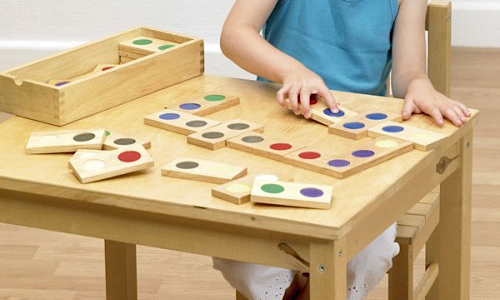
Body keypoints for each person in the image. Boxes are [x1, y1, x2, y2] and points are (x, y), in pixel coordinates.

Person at [213, 0, 471, 299]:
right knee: (241, 247)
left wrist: (418, 82)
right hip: (274, 138)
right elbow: (235, 33)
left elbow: (408, 72)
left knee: (369, 250)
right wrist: (292, 71)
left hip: (358, 151)